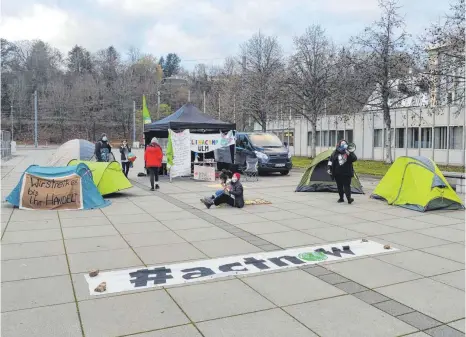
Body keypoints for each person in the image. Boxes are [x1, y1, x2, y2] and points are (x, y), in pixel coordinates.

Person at [327, 139, 357, 204]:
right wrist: (329, 168)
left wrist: (349, 153)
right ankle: (341, 198)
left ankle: (349, 199)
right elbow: (330, 160)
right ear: (339, 144)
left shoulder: (349, 151)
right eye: (342, 143)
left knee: (347, 186)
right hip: (337, 172)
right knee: (339, 186)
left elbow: (354, 159)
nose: (343, 144)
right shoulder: (335, 152)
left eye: (345, 143)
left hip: (347, 172)